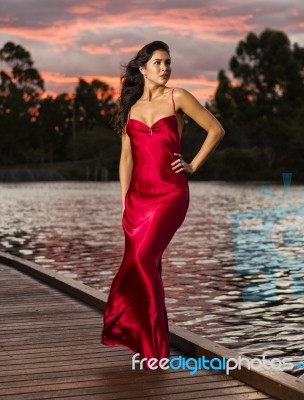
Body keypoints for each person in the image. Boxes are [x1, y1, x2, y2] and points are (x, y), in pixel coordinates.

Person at [101, 40, 225, 369]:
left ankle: (156, 350)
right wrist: (124, 202)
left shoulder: (178, 97)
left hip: (170, 194)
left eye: (167, 62)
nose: (164, 68)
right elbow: (126, 159)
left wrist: (194, 165)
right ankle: (144, 339)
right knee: (145, 263)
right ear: (142, 69)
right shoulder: (130, 110)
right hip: (137, 200)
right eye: (157, 63)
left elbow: (216, 129)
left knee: (142, 259)